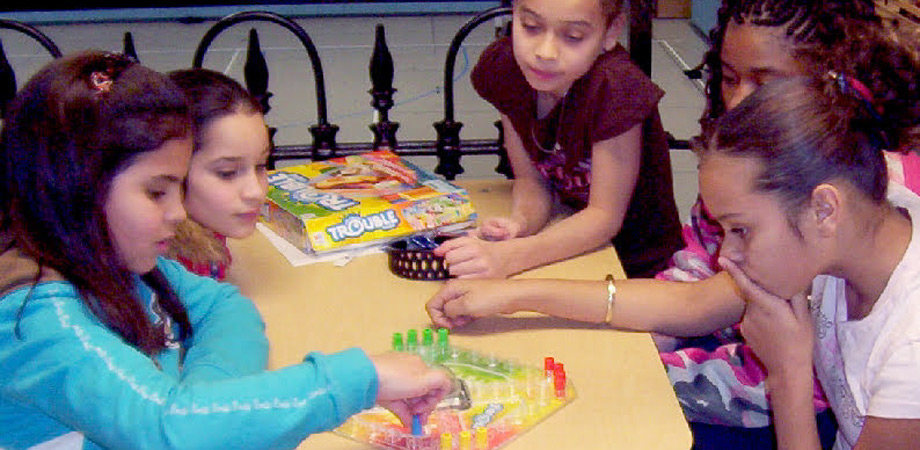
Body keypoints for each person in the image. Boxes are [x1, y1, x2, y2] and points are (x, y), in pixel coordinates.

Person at [427, 5, 920, 448]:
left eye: (741, 231)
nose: (723, 257)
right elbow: (693, 303)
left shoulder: (908, 346)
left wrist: (788, 372)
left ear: (825, 210)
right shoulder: (845, 214)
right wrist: (514, 295)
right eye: (729, 77)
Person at [0, 51, 450, 450]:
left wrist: (207, 407)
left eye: (178, 188)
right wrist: (358, 381)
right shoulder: (37, 317)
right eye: (157, 192)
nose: (178, 213)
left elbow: (225, 307)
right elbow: (167, 429)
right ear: (77, 187)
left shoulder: (121, 260)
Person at [433, 0, 684, 279]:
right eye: (530, 27)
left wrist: (510, 257)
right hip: (566, 246)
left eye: (573, 37)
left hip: (639, 267)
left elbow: (603, 217)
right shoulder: (505, 71)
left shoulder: (616, 88)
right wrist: (520, 224)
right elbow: (532, 181)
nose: (545, 52)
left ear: (611, 32)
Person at [164, 68, 270, 280]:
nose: (256, 191)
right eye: (227, 173)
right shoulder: (161, 271)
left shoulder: (208, 236)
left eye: (260, 165)